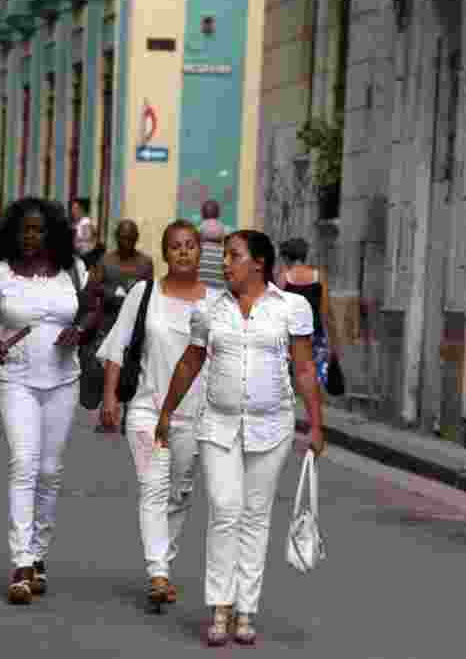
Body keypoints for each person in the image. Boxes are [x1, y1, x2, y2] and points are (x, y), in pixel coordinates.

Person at [157, 230, 325, 647]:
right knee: (225, 509)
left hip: (273, 428)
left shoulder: (292, 308)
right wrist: (167, 410)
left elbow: (303, 369)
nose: (226, 263)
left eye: (234, 256)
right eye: (227, 256)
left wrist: (316, 424)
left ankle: (246, 609)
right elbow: (190, 361)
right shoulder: (210, 310)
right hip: (217, 425)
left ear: (259, 264)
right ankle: (220, 606)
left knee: (255, 515)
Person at [0, 197, 102, 605]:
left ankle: (39, 554)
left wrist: (79, 331)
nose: (31, 236)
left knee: (49, 470)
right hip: (18, 380)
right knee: (24, 464)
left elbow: (93, 309)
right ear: (13, 232)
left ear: (52, 233)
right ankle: (21, 563)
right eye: (25, 229)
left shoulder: (73, 271)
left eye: (39, 230)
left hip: (63, 380)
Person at [98, 219, 218, 609]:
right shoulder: (144, 294)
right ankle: (158, 573)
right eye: (175, 246)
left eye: (190, 245)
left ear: (200, 252)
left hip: (196, 416)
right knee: (153, 487)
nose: (183, 252)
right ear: (165, 254)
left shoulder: (216, 303)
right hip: (148, 412)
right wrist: (111, 398)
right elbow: (118, 346)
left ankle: (162, 562)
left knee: (180, 492)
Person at [91, 219, 154, 433]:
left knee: (132, 368)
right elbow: (93, 286)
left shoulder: (145, 263)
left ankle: (130, 414)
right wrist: (109, 293)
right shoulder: (106, 261)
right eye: (123, 237)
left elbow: (149, 291)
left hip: (135, 323)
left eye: (130, 238)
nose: (126, 242)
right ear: (116, 238)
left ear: (136, 239)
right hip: (109, 321)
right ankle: (108, 413)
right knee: (106, 366)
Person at [278, 237, 341, 388]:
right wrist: (334, 341)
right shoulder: (319, 277)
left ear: (287, 257)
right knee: (314, 380)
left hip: (291, 335)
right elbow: (326, 311)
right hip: (315, 334)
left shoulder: (284, 277)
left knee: (290, 381)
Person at [198, 200, 227, 289]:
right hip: (219, 289)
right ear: (218, 214)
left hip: (201, 289)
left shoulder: (198, 250)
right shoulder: (222, 228)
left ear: (202, 214)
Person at [70, 197, 97, 264]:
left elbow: (87, 245)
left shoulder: (85, 223)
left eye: (75, 208)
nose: (72, 211)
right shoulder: (78, 223)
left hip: (83, 259)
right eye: (72, 208)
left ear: (82, 209)